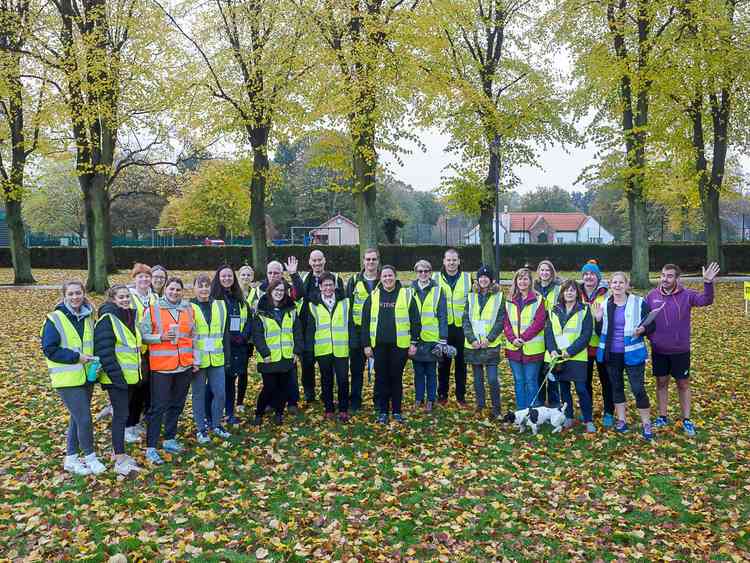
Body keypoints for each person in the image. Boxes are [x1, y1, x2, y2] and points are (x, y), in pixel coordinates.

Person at [646, 262, 719, 436]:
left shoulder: (687, 295)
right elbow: (643, 319)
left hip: (680, 350)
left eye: (669, 276)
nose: (665, 279)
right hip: (659, 350)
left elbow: (706, 300)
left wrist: (708, 282)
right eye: (663, 275)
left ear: (677, 278)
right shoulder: (651, 296)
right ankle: (662, 417)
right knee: (661, 383)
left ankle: (686, 419)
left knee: (683, 384)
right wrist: (651, 337)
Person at [41, 280, 105, 475]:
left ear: (83, 293)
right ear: (65, 296)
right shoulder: (55, 318)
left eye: (78, 293)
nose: (75, 297)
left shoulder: (87, 317)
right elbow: (49, 349)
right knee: (84, 419)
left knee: (76, 419)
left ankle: (70, 459)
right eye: (71, 294)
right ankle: (90, 457)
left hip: (86, 377)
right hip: (67, 379)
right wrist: (76, 357)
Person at [140, 277, 198, 464]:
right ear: (165, 290)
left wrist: (195, 359)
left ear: (182, 292)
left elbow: (193, 335)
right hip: (162, 368)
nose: (174, 292)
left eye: (178, 290)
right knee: (158, 407)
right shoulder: (153, 309)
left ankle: (170, 438)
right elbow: (143, 336)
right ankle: (151, 446)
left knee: (177, 405)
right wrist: (161, 337)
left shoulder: (189, 309)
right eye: (171, 289)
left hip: (184, 365)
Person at [593, 271, 655, 440]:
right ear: (610, 285)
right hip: (612, 354)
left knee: (638, 389)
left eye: (621, 282)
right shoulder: (605, 304)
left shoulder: (638, 302)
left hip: (633, 353)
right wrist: (597, 320)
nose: (617, 286)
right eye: (614, 283)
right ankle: (621, 420)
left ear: (627, 285)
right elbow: (600, 333)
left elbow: (651, 324)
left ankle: (646, 422)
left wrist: (643, 329)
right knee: (616, 388)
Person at [94, 284, 144, 475]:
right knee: (120, 416)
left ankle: (118, 452)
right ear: (112, 299)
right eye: (120, 297)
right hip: (117, 379)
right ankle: (120, 458)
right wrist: (118, 379)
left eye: (127, 296)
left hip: (130, 378)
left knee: (122, 414)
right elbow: (105, 353)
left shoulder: (129, 316)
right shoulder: (108, 319)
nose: (125, 300)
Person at [361, 266, 421, 424]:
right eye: (384, 276)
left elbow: (416, 320)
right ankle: (382, 411)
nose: (387, 278)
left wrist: (414, 342)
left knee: (396, 378)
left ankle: (396, 411)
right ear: (380, 278)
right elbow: (365, 322)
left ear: (395, 276)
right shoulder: (373, 296)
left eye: (390, 275)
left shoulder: (406, 295)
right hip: (378, 347)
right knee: (381, 379)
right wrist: (366, 345)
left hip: (399, 346)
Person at [287, 250, 345, 404]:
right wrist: (293, 275)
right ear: (310, 262)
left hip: (327, 328)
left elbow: (341, 298)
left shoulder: (336, 278)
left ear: (324, 260)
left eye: (320, 260)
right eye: (314, 260)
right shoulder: (304, 277)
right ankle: (309, 392)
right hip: (307, 327)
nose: (317, 263)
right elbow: (298, 295)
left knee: (328, 364)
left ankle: (327, 393)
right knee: (307, 363)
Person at [544, 280, 595, 433]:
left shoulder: (585, 309)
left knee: (581, 389)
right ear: (562, 293)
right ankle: (568, 417)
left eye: (573, 290)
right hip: (558, 356)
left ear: (577, 293)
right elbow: (549, 332)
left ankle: (588, 419)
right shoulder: (554, 310)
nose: (569, 293)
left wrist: (571, 351)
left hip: (577, 356)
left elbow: (586, 335)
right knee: (564, 388)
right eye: (566, 290)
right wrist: (552, 349)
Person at [251, 279, 303, 425]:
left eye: (282, 290)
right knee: (269, 387)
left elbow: (297, 331)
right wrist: (264, 353)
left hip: (287, 356)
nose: (279, 293)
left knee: (283, 388)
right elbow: (257, 335)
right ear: (270, 291)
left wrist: (297, 351)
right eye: (276, 290)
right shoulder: (261, 311)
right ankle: (259, 413)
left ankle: (279, 413)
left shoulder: (291, 310)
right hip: (269, 358)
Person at [305, 272, 353, 422]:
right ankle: (329, 408)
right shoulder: (313, 305)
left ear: (335, 286)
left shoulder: (345, 302)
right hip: (323, 349)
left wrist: (353, 345)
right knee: (326, 380)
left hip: (341, 349)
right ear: (320, 287)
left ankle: (344, 409)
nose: (328, 288)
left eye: (330, 284)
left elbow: (350, 325)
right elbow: (310, 329)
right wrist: (309, 349)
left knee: (343, 380)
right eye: (325, 285)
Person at [207, 265, 252, 425]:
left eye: (230, 276)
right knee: (214, 383)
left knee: (231, 380)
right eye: (223, 276)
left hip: (237, 347)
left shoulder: (239, 299)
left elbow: (248, 321)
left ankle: (230, 412)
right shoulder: (213, 299)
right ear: (218, 279)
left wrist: (243, 336)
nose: (227, 279)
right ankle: (209, 415)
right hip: (219, 347)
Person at [191, 274, 231, 443]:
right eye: (200, 286)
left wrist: (227, 357)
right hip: (197, 360)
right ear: (194, 288)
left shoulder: (221, 306)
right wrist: (190, 359)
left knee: (220, 393)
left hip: (217, 358)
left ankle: (216, 425)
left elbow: (225, 333)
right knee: (198, 395)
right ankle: (200, 428)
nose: (204, 289)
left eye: (207, 286)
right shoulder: (188, 307)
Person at [463, 266, 505, 419]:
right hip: (474, 345)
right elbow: (465, 319)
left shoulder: (499, 296)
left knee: (493, 379)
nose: (483, 279)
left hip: (490, 345)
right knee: (478, 379)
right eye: (481, 277)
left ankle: (497, 408)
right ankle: (480, 405)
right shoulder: (471, 296)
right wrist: (472, 339)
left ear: (491, 280)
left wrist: (490, 338)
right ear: (477, 279)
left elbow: (501, 320)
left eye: (486, 277)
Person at [504, 268, 547, 410]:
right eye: (520, 278)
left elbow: (539, 323)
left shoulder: (539, 299)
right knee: (519, 381)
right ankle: (521, 411)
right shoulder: (509, 300)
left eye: (525, 279)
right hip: (514, 348)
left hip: (532, 348)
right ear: (515, 281)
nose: (522, 281)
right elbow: (506, 323)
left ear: (530, 281)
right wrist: (512, 339)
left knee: (531, 381)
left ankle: (534, 412)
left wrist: (522, 338)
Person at [433, 248, 471, 406]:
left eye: (454, 260)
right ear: (444, 261)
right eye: (448, 260)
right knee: (443, 364)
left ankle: (461, 396)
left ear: (459, 261)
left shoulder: (468, 278)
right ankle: (442, 395)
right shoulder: (435, 278)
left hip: (462, 328)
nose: (451, 263)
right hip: (444, 328)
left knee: (462, 364)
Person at [579, 260, 615, 428]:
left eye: (592, 274)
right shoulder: (576, 292)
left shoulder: (606, 294)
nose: (588, 277)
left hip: (601, 345)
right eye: (586, 274)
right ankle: (587, 410)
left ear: (598, 276)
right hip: (582, 347)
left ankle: (609, 412)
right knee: (584, 382)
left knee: (606, 380)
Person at [125, 262, 156, 444]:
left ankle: (137, 421)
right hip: (134, 351)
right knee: (134, 390)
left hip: (151, 350)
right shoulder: (129, 297)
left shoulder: (154, 298)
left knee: (146, 389)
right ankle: (128, 426)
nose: (144, 279)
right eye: (140, 276)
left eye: (147, 276)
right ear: (134, 278)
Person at [410, 260, 448, 413]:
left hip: (433, 338)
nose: (423, 274)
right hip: (416, 339)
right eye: (420, 271)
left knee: (431, 372)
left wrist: (442, 340)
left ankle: (431, 399)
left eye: (426, 271)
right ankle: (419, 398)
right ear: (416, 272)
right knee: (418, 371)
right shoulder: (409, 291)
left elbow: (443, 316)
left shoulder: (438, 291)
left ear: (430, 272)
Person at [346, 248, 381, 411]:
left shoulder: (385, 279)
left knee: (380, 371)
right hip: (357, 332)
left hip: (378, 332)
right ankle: (355, 401)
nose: (371, 262)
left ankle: (379, 400)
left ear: (378, 261)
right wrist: (351, 334)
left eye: (373, 259)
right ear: (363, 261)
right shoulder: (354, 280)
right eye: (368, 259)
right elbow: (347, 307)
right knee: (356, 370)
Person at [534, 260, 562, 407]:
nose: (544, 273)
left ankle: (554, 402)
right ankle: (540, 402)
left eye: (547, 270)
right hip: (536, 333)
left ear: (552, 273)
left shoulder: (558, 289)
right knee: (539, 370)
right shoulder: (533, 288)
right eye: (542, 270)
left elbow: (560, 308)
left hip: (552, 332)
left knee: (552, 369)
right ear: (538, 272)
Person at [235, 264, 258, 414]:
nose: (245, 277)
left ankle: (240, 402)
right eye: (243, 275)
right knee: (230, 370)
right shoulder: (233, 292)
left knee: (243, 370)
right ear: (239, 276)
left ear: (252, 277)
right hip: (233, 337)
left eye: (248, 275)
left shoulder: (256, 293)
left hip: (247, 339)